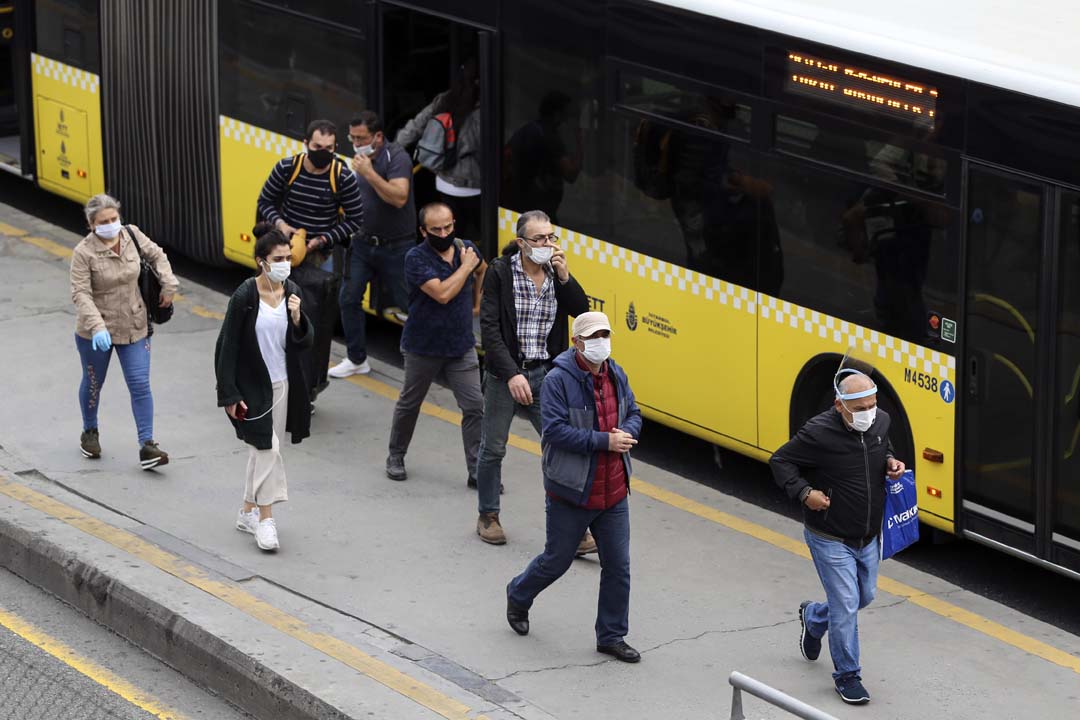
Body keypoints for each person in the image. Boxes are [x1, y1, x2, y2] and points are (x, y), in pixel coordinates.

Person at [505, 311, 643, 663]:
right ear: (577, 342)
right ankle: (518, 595)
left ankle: (611, 636)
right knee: (557, 561)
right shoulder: (557, 381)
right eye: (594, 336)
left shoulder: (617, 373)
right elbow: (553, 431)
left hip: (612, 492)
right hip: (571, 492)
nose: (601, 342)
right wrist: (604, 441)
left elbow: (634, 413)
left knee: (619, 566)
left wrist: (627, 432)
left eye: (605, 335)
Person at [769, 369, 907, 705]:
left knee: (865, 596)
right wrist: (805, 494)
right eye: (859, 408)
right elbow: (781, 460)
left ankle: (814, 618)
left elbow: (882, 447)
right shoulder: (818, 433)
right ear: (839, 405)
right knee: (846, 604)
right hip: (829, 534)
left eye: (872, 405)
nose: (868, 414)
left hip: (868, 535)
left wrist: (890, 462)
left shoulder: (881, 422)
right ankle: (848, 675)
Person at [474, 210, 595, 556]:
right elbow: (491, 330)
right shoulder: (500, 273)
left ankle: (572, 529)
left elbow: (581, 312)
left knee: (562, 448)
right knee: (493, 447)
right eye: (539, 239)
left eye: (551, 238)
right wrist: (511, 373)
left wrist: (566, 276)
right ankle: (488, 515)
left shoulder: (555, 275)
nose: (547, 245)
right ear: (521, 243)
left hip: (547, 376)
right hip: (505, 375)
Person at [214, 224, 314, 552]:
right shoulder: (245, 295)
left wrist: (299, 320)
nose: (285, 263)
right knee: (267, 448)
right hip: (252, 387)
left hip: (282, 385)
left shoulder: (292, 290)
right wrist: (229, 394)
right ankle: (266, 521)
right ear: (262, 261)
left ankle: (247, 512)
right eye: (278, 258)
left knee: (264, 451)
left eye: (288, 257)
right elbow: (226, 346)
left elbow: (304, 343)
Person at [256, 119, 365, 400]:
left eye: (329, 148)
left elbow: (355, 219)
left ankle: (309, 389)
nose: (323, 152)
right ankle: (275, 380)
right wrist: (281, 224)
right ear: (306, 144)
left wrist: (321, 240)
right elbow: (265, 202)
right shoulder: (287, 168)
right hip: (284, 253)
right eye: (318, 146)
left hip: (320, 257)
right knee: (276, 317)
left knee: (315, 323)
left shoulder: (342, 175)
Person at [70, 193, 178, 469]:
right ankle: (90, 430)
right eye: (103, 221)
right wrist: (96, 327)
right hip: (97, 333)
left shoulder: (132, 235)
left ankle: (147, 444)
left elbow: (157, 255)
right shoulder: (83, 253)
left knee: (140, 385)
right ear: (92, 225)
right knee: (93, 383)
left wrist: (168, 284)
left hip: (134, 326)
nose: (111, 224)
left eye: (114, 218)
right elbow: (80, 294)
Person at [386, 202, 487, 484]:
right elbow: (442, 293)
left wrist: (477, 305)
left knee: (474, 406)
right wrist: (467, 267)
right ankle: (396, 455)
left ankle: (476, 468)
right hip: (423, 346)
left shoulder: (466, 248)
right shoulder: (416, 258)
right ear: (423, 231)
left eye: (448, 227)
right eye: (436, 229)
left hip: (461, 346)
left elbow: (483, 270)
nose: (443, 233)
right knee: (410, 403)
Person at [329, 110, 416, 379]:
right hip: (363, 243)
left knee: (411, 305)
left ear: (378, 136)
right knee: (348, 297)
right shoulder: (359, 158)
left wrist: (369, 173)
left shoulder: (396, 158)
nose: (355, 143)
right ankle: (356, 359)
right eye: (352, 138)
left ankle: (425, 361)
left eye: (361, 137)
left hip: (396, 247)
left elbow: (399, 197)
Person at [395, 59, 482, 243]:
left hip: (443, 181)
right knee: (476, 235)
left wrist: (392, 152)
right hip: (473, 186)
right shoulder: (483, 111)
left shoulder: (445, 99)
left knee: (453, 233)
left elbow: (414, 127)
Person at [504, 91, 583, 224]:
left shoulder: (528, 129)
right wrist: (580, 140)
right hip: (539, 207)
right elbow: (571, 174)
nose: (568, 120)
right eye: (567, 115)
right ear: (557, 115)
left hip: (519, 201)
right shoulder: (549, 137)